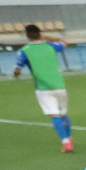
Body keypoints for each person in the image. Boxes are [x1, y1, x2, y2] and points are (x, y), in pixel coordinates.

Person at [10, 24, 73, 153]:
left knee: (54, 114)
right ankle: (69, 139)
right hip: (59, 85)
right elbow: (64, 43)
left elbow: (18, 68)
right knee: (63, 114)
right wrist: (46, 37)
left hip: (43, 88)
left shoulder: (24, 51)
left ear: (27, 35)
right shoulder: (50, 45)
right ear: (40, 33)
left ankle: (66, 143)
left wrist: (15, 74)